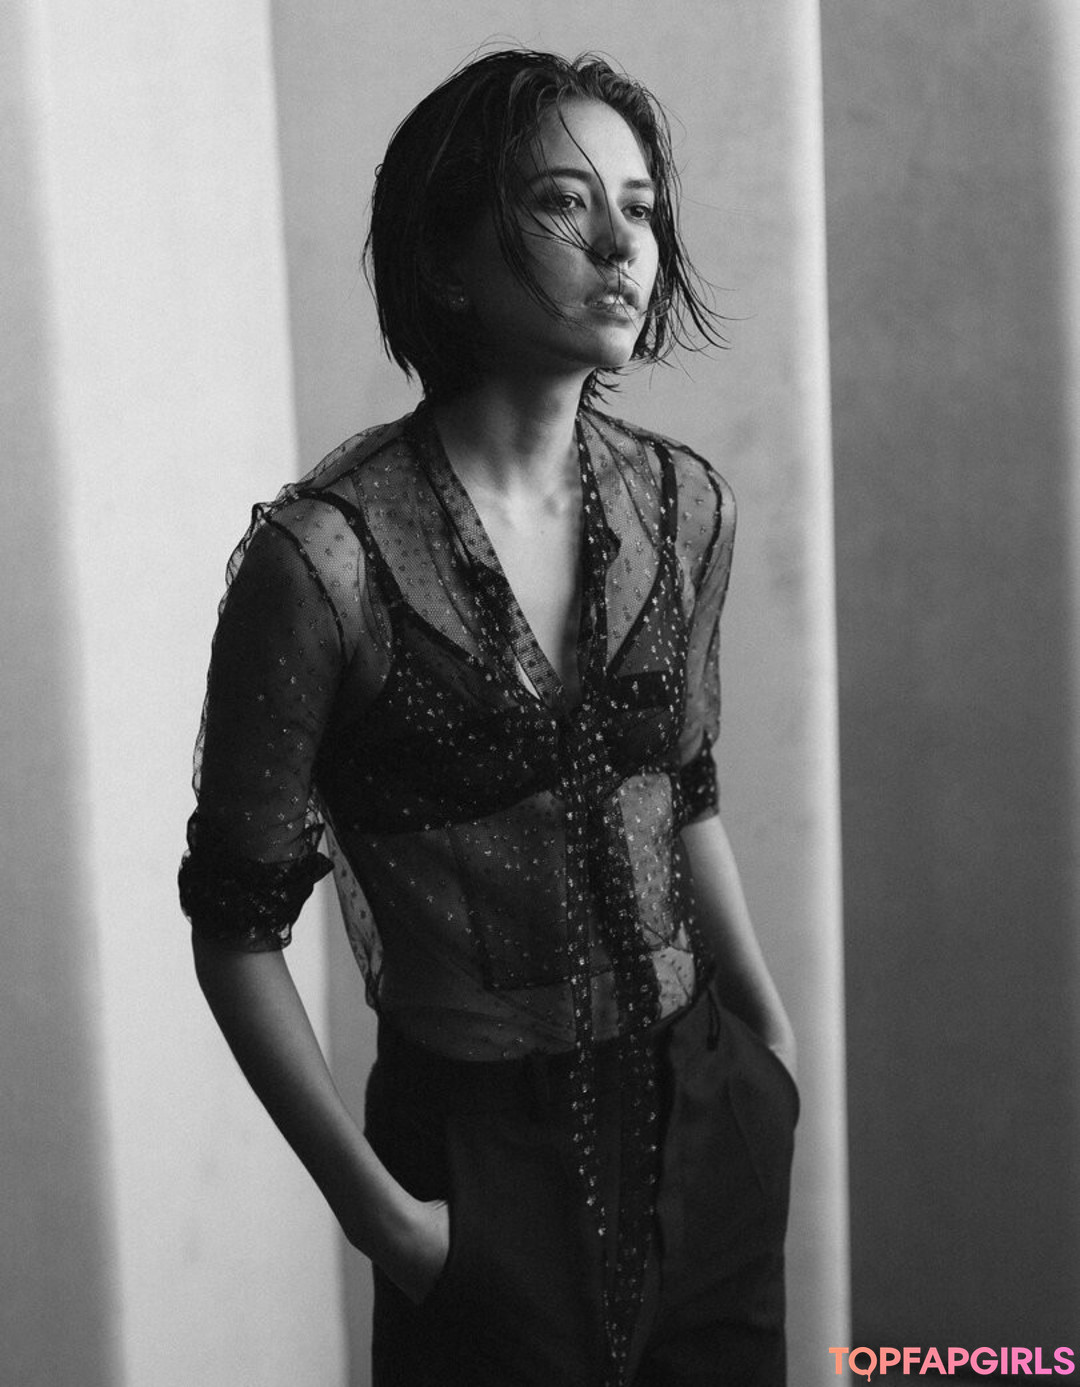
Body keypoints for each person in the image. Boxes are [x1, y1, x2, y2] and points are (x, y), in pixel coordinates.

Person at [179, 48, 798, 1387]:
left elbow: (683, 787)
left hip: (709, 1119)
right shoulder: (324, 566)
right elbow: (233, 928)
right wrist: (384, 1222)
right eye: (566, 203)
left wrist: (770, 1051)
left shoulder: (685, 507)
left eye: (641, 206)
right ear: (449, 258)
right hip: (476, 1158)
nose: (622, 245)